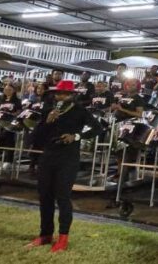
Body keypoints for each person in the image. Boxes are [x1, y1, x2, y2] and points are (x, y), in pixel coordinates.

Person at [25, 80, 103, 253]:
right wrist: (47, 121)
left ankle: (63, 238)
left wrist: (76, 136)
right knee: (44, 196)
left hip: (68, 158)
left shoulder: (79, 111)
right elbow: (38, 135)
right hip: (47, 155)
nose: (60, 96)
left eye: (64, 94)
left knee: (62, 197)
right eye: (58, 93)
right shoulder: (49, 110)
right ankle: (45, 235)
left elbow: (98, 128)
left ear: (71, 95)